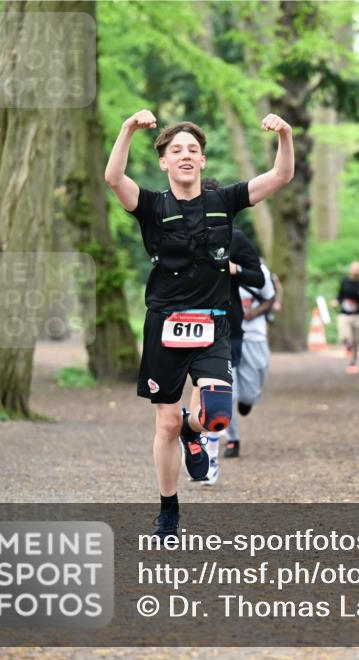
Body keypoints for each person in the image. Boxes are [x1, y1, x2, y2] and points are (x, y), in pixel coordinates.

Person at [104, 109, 293, 538]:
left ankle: (196, 431)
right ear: (164, 162)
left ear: (203, 161)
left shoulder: (223, 201)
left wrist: (285, 135)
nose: (186, 155)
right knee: (165, 423)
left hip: (212, 326)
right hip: (165, 325)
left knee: (216, 417)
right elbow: (114, 178)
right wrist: (127, 129)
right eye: (176, 150)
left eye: (193, 149)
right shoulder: (152, 205)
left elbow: (280, 176)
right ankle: (168, 511)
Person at [193, 178, 266, 482]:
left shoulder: (235, 238)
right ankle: (211, 452)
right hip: (189, 323)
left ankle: (233, 415)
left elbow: (259, 279)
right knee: (206, 390)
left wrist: (234, 269)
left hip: (228, 323)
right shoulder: (178, 234)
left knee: (235, 389)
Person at [223, 261, 279, 461]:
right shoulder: (217, 266)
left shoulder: (258, 270)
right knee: (228, 392)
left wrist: (252, 313)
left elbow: (270, 298)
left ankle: (247, 400)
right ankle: (232, 438)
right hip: (227, 337)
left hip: (255, 336)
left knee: (250, 392)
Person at [331, 261, 359, 374]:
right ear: (350, 270)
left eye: (358, 269)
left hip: (358, 315)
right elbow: (340, 296)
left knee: (357, 341)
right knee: (345, 335)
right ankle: (347, 344)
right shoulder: (344, 282)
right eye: (354, 269)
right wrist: (335, 302)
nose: (356, 271)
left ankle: (353, 362)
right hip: (344, 314)